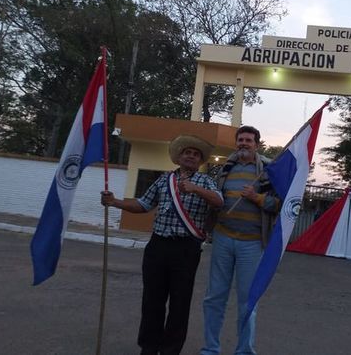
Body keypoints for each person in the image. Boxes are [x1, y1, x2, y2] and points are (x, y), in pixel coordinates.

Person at [101, 135, 223, 355]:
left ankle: (170, 350)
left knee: (180, 302)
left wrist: (196, 189)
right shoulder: (164, 180)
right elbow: (143, 204)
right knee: (152, 299)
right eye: (188, 152)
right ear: (179, 157)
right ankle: (149, 346)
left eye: (196, 154)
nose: (191, 156)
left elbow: (219, 201)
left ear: (200, 160)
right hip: (158, 246)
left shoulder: (205, 182)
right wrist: (115, 201)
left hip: (186, 249)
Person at [201, 125, 280, 355]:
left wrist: (256, 197)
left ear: (257, 144)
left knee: (248, 301)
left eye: (249, 140)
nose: (244, 143)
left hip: (252, 243)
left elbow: (278, 204)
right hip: (223, 238)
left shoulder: (267, 170)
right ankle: (210, 349)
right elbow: (215, 198)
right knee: (214, 297)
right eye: (241, 140)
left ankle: (244, 351)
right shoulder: (226, 168)